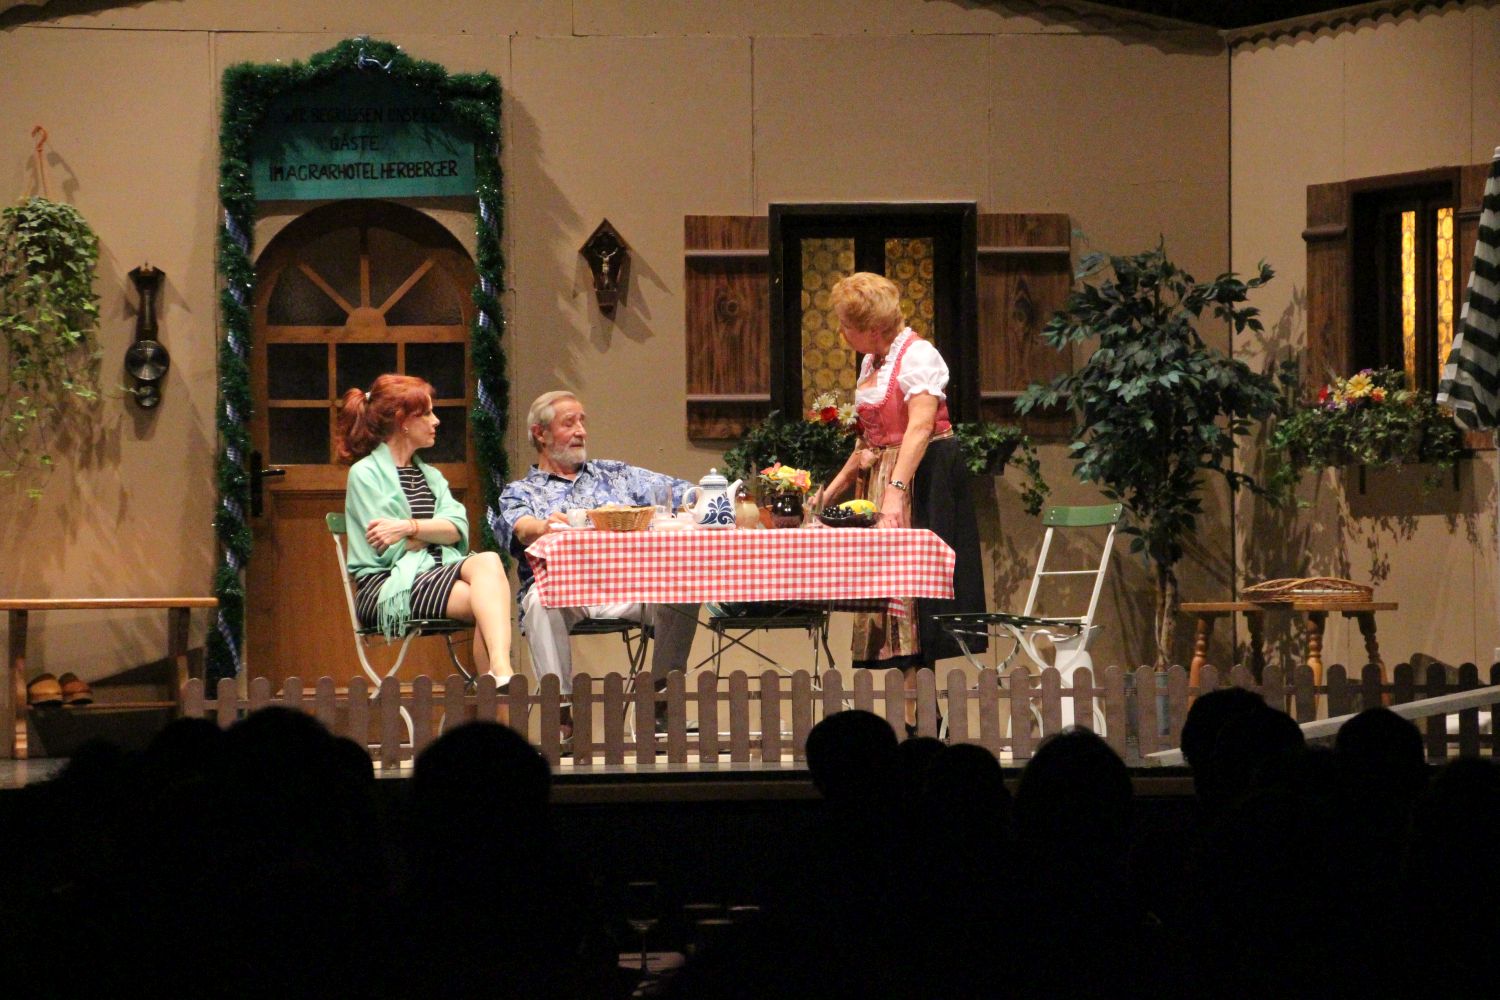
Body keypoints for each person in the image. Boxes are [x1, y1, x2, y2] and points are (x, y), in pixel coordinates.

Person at [818, 272, 986, 727]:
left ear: (872, 328)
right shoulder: (872, 362)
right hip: (888, 476)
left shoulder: (918, 356)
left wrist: (895, 492)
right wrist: (831, 490)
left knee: (912, 597)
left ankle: (921, 715)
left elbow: (921, 426)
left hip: (923, 476)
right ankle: (917, 712)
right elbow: (869, 440)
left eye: (846, 325)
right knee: (890, 598)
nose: (841, 334)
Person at [495, 391, 698, 729]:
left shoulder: (615, 475)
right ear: (540, 434)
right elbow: (521, 528)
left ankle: (659, 703)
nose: (581, 431)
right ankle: (560, 715)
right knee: (539, 602)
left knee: (684, 591)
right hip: (562, 591)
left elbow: (685, 492)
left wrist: (710, 498)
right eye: (569, 423)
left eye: (582, 422)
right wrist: (543, 526)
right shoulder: (521, 492)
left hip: (628, 589)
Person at [337, 373, 514, 687]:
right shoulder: (365, 475)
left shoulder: (429, 475)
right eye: (427, 413)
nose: (436, 421)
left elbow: (457, 529)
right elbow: (387, 548)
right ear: (403, 421)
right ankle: (499, 693)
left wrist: (409, 528)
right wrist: (432, 532)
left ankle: (500, 672)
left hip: (433, 572)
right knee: (487, 602)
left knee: (487, 566)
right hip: (385, 586)